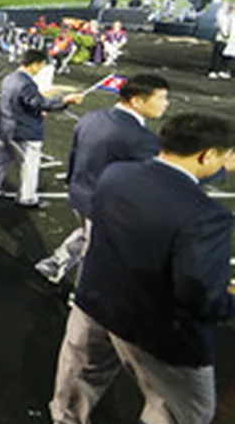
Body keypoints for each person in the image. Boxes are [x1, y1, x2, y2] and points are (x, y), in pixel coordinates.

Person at [46, 114, 235, 424]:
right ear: (207, 155)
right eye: (228, 155)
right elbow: (199, 295)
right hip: (155, 328)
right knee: (182, 414)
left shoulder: (117, 175)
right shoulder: (206, 215)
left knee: (81, 374)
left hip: (97, 300)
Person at [35, 74, 170, 284]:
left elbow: (74, 152)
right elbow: (159, 176)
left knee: (89, 234)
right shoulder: (141, 138)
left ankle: (56, 263)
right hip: (105, 203)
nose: (165, 104)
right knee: (98, 252)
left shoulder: (91, 117)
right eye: (161, 98)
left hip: (80, 191)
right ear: (137, 100)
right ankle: (82, 294)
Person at [0, 50, 84, 207]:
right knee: (29, 165)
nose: (41, 69)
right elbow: (38, 103)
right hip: (23, 131)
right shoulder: (26, 83)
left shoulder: (10, 78)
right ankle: (27, 198)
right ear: (34, 64)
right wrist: (65, 101)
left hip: (5, 127)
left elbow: (22, 102)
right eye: (41, 66)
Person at [208, 0, 234, 79]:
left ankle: (224, 69)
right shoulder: (224, 10)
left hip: (232, 35)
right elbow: (221, 16)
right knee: (219, 48)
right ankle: (214, 70)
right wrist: (224, 31)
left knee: (229, 52)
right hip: (224, 33)